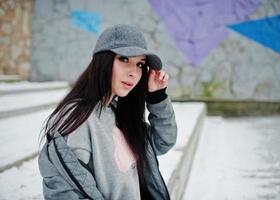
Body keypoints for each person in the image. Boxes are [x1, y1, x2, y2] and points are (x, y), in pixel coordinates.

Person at [38, 24, 177, 200]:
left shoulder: (119, 113)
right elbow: (63, 192)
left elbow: (163, 142)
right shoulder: (78, 120)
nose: (134, 73)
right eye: (124, 59)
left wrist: (157, 97)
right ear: (103, 60)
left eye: (140, 64)